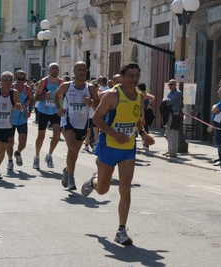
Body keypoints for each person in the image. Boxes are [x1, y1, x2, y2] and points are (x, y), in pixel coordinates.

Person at [80, 62, 155, 245]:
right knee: (103, 189)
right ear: (121, 77)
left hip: (128, 148)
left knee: (126, 188)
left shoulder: (138, 96)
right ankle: (93, 181)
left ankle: (121, 230)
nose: (134, 79)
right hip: (109, 146)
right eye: (130, 75)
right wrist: (114, 134)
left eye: (137, 75)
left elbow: (136, 117)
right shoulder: (113, 95)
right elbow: (97, 118)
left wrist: (143, 134)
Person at [54, 61, 100, 190]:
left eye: (84, 70)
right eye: (79, 69)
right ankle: (71, 179)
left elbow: (98, 104)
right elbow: (56, 95)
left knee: (75, 152)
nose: (82, 72)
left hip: (82, 123)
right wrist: (59, 108)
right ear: (74, 72)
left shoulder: (90, 88)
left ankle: (67, 170)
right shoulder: (66, 86)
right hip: (67, 121)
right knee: (72, 148)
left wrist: (90, 102)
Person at [33, 63, 63, 169]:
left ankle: (49, 155)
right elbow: (36, 97)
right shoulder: (44, 82)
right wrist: (45, 96)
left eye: (57, 68)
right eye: (53, 68)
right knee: (41, 136)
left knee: (56, 135)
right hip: (44, 110)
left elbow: (65, 97)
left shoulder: (61, 82)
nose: (55, 70)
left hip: (55, 111)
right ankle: (36, 157)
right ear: (49, 71)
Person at [6, 70, 33, 171]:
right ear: (15, 79)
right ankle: (9, 161)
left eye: (23, 79)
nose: (21, 81)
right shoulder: (10, 88)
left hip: (22, 118)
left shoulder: (28, 89)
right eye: (19, 79)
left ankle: (17, 153)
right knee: (10, 142)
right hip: (10, 119)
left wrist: (29, 110)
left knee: (23, 142)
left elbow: (31, 99)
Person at [163, 79, 182, 157]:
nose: (170, 86)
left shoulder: (177, 93)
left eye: (172, 84)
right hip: (169, 114)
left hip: (174, 114)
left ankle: (173, 151)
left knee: (173, 133)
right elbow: (165, 101)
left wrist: (165, 102)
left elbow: (169, 102)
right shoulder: (170, 93)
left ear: (175, 85)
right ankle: (170, 149)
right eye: (169, 84)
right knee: (168, 132)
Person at [137, 82, 155, 151]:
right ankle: (145, 144)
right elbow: (153, 97)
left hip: (143, 112)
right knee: (144, 128)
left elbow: (153, 97)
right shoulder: (144, 94)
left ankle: (146, 144)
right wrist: (150, 103)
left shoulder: (142, 94)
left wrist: (149, 104)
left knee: (144, 128)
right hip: (144, 111)